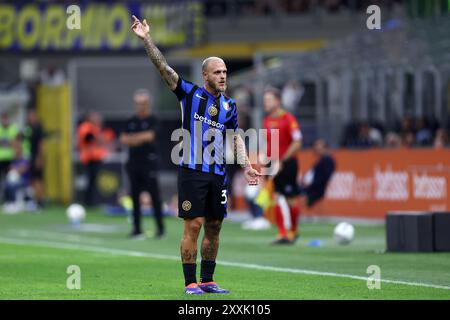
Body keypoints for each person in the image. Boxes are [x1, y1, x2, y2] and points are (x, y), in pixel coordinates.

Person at [131, 15, 261, 294]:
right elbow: (163, 67)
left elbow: (235, 136)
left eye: (225, 71)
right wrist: (147, 39)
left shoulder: (230, 106)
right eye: (217, 72)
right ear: (205, 76)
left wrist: (247, 165)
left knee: (214, 226)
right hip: (192, 171)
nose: (223, 76)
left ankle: (208, 280)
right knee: (195, 225)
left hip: (218, 174)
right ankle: (190, 283)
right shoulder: (188, 94)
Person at [120, 89, 165, 240]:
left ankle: (160, 229)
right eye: (138, 103)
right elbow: (124, 139)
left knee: (154, 196)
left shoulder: (154, 120)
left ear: (148, 104)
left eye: (143, 103)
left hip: (149, 162)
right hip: (133, 163)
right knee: (134, 196)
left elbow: (150, 136)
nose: (140, 106)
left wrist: (135, 138)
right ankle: (137, 229)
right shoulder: (131, 120)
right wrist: (140, 138)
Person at [262, 87, 302, 244]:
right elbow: (269, 144)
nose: (266, 103)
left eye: (269, 100)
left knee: (291, 198)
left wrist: (283, 161)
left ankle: (293, 231)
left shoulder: (288, 119)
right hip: (273, 163)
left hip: (288, 163)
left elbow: (297, 142)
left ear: (278, 101)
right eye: (265, 100)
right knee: (277, 197)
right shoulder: (266, 121)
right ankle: (282, 233)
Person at [76, 112, 108, 207]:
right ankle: (87, 202)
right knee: (89, 181)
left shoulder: (95, 128)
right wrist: (98, 138)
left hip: (95, 158)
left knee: (93, 181)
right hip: (89, 158)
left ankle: (92, 202)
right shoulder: (86, 126)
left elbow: (102, 141)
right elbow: (89, 139)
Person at [300, 138, 336, 208]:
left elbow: (326, 176)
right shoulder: (321, 160)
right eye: (315, 146)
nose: (316, 148)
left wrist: (311, 184)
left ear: (325, 148)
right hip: (311, 188)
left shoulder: (327, 160)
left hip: (315, 191)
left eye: (318, 147)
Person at [23, 110, 45, 209]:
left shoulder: (38, 128)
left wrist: (39, 158)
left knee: (38, 179)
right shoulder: (29, 128)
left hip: (36, 157)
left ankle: (40, 202)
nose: (30, 118)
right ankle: (35, 200)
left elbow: (41, 144)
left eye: (32, 116)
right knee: (32, 179)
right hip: (31, 157)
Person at [0, 112, 19, 201]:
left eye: (6, 119)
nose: (5, 121)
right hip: (1, 159)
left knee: (10, 179)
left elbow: (15, 143)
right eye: (3, 119)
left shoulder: (13, 129)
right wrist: (9, 142)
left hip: (10, 159)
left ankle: (9, 199)